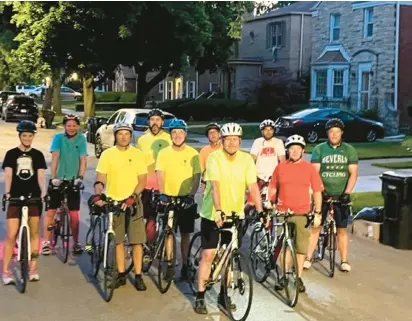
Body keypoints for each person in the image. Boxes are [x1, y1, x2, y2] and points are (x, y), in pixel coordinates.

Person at [194, 123, 264, 315]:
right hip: (213, 213)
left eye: (235, 139)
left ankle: (224, 295)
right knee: (208, 255)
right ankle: (200, 295)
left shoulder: (246, 160)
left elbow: (253, 186)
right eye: (228, 139)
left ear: (240, 141)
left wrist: (261, 210)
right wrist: (218, 210)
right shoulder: (215, 157)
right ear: (222, 141)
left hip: (235, 214)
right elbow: (215, 185)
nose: (232, 143)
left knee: (230, 256)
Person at [93, 122, 148, 290]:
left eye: (127, 134)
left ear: (131, 136)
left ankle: (138, 275)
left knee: (136, 241)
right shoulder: (107, 154)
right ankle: (122, 274)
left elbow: (142, 180)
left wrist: (133, 196)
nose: (123, 137)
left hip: (132, 202)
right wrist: (98, 192)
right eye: (120, 134)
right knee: (117, 241)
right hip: (114, 201)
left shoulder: (138, 155)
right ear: (115, 135)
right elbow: (100, 177)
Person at [268, 134, 323, 293]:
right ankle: (284, 275)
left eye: (297, 149)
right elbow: (273, 187)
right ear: (287, 150)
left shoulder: (309, 168)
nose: (294, 151)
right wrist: (270, 202)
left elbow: (318, 192)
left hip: (302, 213)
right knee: (284, 246)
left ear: (302, 151)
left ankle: (298, 277)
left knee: (300, 248)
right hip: (283, 212)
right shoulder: (280, 167)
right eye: (291, 149)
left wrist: (318, 213)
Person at [304, 118, 358, 272]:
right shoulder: (320, 149)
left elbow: (353, 173)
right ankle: (308, 257)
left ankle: (344, 260)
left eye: (337, 132)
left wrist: (347, 193)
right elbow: (314, 173)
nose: (334, 135)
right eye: (331, 132)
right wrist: (321, 190)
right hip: (323, 193)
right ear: (327, 133)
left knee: (342, 229)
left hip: (341, 195)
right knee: (316, 226)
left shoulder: (349, 150)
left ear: (342, 133)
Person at [155, 118, 201, 281]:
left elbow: (197, 177)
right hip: (169, 198)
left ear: (185, 134)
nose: (177, 135)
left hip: (186, 199)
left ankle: (185, 265)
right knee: (168, 232)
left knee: (186, 234)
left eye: (180, 132)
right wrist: (162, 192)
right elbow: (160, 173)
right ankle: (169, 264)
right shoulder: (164, 153)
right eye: (174, 133)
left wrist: (191, 195)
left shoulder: (193, 153)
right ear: (170, 135)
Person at [2, 121, 47, 284]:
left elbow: (41, 176)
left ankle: (33, 268)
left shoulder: (38, 155)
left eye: (30, 135)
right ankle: (6, 271)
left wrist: (43, 192)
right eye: (24, 135)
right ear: (19, 136)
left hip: (33, 197)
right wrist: (7, 193)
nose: (27, 138)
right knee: (11, 234)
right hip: (15, 196)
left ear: (33, 136)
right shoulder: (11, 154)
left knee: (35, 232)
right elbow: (8, 174)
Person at [41, 114, 87, 255]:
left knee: (74, 214)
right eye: (69, 125)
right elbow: (55, 157)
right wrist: (54, 176)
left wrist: (80, 177)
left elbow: (83, 160)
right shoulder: (58, 138)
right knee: (51, 211)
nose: (72, 128)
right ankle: (47, 242)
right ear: (65, 126)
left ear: (77, 126)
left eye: (74, 125)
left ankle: (76, 242)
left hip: (73, 179)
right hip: (58, 178)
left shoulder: (81, 139)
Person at [136, 108, 171, 243]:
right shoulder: (142, 140)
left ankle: (167, 252)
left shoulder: (169, 139)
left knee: (167, 220)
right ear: (148, 122)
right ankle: (149, 247)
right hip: (147, 185)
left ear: (162, 122)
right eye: (152, 120)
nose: (155, 123)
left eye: (158, 120)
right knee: (149, 218)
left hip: (165, 185)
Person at [246, 119, 285, 206]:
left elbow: (282, 159)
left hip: (273, 177)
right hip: (258, 176)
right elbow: (252, 158)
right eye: (265, 130)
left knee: (273, 202)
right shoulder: (257, 142)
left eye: (270, 129)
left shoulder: (278, 142)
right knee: (251, 202)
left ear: (273, 131)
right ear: (262, 131)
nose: (268, 132)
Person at [199, 123, 221, 191]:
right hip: (209, 185)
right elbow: (202, 171)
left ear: (220, 134)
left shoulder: (225, 149)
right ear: (207, 136)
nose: (213, 134)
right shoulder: (204, 150)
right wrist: (203, 190)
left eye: (215, 132)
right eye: (210, 133)